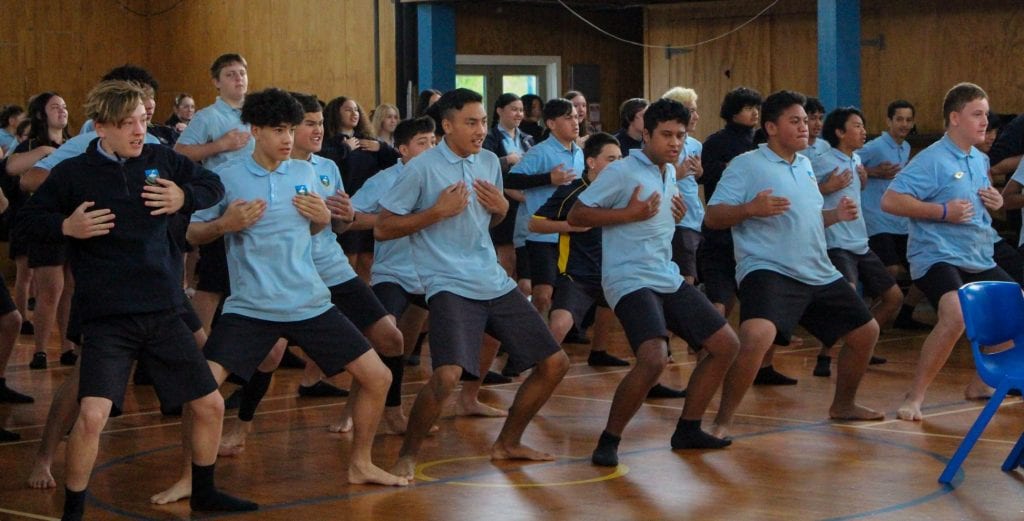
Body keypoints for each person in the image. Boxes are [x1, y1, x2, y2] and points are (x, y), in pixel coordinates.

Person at [16, 80, 256, 520]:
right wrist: (65, 227)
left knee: (210, 403)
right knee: (92, 415)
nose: (138, 131)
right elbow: (27, 222)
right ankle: (73, 510)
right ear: (101, 128)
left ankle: (204, 492)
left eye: (143, 121)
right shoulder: (73, 173)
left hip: (164, 308)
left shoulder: (162, 159)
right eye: (127, 123)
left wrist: (184, 197)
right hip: (108, 316)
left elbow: (212, 184)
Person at [187, 87, 408, 486]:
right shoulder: (226, 177)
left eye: (291, 129)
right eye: (279, 130)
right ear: (255, 131)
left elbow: (318, 228)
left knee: (378, 377)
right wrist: (224, 225)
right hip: (251, 307)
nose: (288, 138)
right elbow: (191, 233)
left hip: (309, 302)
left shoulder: (306, 173)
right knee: (201, 390)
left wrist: (323, 218)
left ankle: (360, 463)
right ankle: (189, 478)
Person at [376, 88, 570, 479]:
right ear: (447, 126)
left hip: (492, 279)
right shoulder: (421, 168)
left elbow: (487, 220)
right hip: (448, 282)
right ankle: (407, 456)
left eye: (482, 122)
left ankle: (508, 442)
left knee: (555, 363)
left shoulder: (488, 161)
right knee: (447, 375)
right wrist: (435, 212)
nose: (480, 130)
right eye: (471, 122)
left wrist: (501, 209)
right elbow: (382, 227)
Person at [568, 99, 740, 466]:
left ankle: (688, 428)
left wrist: (671, 213)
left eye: (680, 135)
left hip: (664, 275)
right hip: (628, 278)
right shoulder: (621, 171)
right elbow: (577, 214)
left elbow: (652, 217)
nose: (675, 142)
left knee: (726, 344)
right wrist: (627, 214)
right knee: (653, 358)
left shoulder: (668, 172)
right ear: (645, 135)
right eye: (666, 135)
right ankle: (609, 439)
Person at [706, 90, 885, 439]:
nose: (805, 127)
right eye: (795, 121)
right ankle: (722, 420)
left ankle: (843, 405)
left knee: (867, 332)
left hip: (816, 269)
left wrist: (835, 215)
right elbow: (713, 217)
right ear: (771, 127)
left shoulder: (804, 165)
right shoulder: (746, 165)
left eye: (805, 120)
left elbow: (809, 218)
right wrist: (749, 209)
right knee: (757, 336)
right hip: (769, 268)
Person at [881, 82, 1013, 421]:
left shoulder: (980, 159)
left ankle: (981, 383)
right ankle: (914, 397)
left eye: (986, 114)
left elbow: (977, 204)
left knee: (1014, 306)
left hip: (976, 253)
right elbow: (891, 201)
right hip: (936, 255)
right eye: (977, 114)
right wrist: (942, 212)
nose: (985, 122)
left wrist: (996, 201)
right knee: (955, 314)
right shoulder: (931, 160)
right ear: (955, 118)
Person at [811, 107, 903, 376]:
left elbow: (853, 189)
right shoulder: (823, 161)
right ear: (840, 132)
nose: (864, 131)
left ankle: (862, 344)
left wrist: (864, 180)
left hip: (860, 241)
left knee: (893, 297)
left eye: (863, 126)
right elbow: (801, 193)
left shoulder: (856, 159)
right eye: (857, 126)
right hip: (837, 242)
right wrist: (826, 187)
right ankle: (825, 356)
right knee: (848, 297)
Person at [530, 132, 630, 368]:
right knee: (560, 324)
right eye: (611, 159)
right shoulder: (572, 192)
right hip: (577, 272)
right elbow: (534, 223)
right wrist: (571, 225)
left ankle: (599, 351)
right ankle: (534, 362)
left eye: (620, 159)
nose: (618, 164)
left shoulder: (623, 191)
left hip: (610, 269)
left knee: (608, 304)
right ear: (591, 162)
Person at [175, 53, 254, 335]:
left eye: (242, 73)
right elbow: (179, 153)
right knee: (214, 282)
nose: (238, 79)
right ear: (217, 82)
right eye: (230, 74)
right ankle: (197, 345)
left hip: (255, 206)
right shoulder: (208, 117)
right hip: (221, 208)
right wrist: (219, 145)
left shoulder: (256, 115)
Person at [5, 92, 73, 371]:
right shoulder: (32, 145)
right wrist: (45, 151)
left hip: (73, 221)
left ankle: (68, 347)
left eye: (64, 106)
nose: (62, 111)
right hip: (45, 225)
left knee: (71, 289)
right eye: (55, 107)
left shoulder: (73, 144)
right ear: (41, 114)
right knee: (50, 290)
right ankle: (41, 350)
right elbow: (12, 169)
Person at [858, 99, 930, 330]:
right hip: (876, 218)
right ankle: (869, 318)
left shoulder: (905, 147)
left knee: (924, 266)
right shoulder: (875, 147)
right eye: (899, 119)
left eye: (908, 120)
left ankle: (903, 314)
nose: (904, 124)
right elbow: (848, 161)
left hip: (899, 221)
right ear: (889, 121)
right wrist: (873, 171)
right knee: (889, 269)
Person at [508, 98, 582, 317]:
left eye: (576, 117)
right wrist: (548, 178)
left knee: (565, 292)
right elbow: (510, 179)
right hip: (541, 234)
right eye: (568, 118)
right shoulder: (540, 152)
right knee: (542, 294)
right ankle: (531, 334)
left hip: (569, 233)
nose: (575, 122)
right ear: (551, 123)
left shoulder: (579, 153)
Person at [321, 95, 400, 281]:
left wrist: (380, 147)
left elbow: (398, 161)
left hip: (369, 206)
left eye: (356, 109)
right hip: (345, 207)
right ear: (336, 113)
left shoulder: (368, 141)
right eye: (348, 110)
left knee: (368, 260)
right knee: (349, 260)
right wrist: (345, 149)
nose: (354, 113)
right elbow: (325, 163)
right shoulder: (330, 143)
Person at [483, 93, 534, 280]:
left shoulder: (528, 139)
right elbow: (483, 165)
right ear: (499, 111)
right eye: (514, 109)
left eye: (521, 110)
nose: (519, 114)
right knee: (507, 255)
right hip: (505, 202)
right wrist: (507, 160)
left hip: (526, 202)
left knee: (526, 257)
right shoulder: (489, 138)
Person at [802, 97, 831, 162]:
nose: (818, 124)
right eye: (813, 118)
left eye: (820, 118)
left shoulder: (825, 146)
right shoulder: (793, 147)